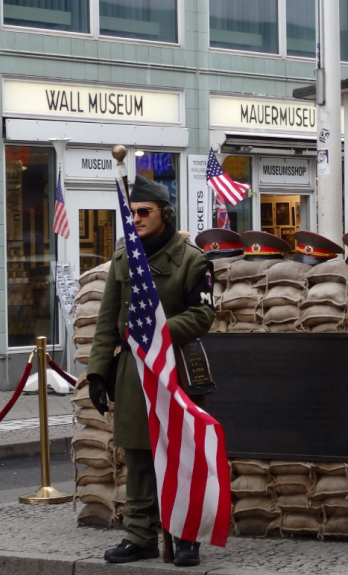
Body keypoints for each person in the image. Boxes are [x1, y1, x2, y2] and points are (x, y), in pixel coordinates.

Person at [85, 175, 216, 567]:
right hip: (132, 370)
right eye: (132, 212)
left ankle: (186, 535)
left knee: (181, 453)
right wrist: (97, 373)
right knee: (139, 455)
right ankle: (140, 534)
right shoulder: (125, 260)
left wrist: (158, 332)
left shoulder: (192, 259)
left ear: (166, 213)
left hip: (175, 366)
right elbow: (107, 321)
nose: (137, 218)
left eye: (145, 211)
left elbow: (203, 314)